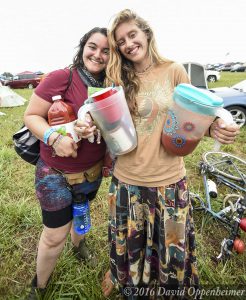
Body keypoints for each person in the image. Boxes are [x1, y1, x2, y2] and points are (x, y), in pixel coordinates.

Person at [101, 9, 240, 299]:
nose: (128, 43)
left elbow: (195, 116)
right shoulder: (115, 78)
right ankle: (125, 279)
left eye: (132, 34)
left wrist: (215, 126)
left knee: (172, 250)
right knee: (131, 242)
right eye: (121, 41)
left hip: (169, 180)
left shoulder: (174, 70)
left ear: (146, 34)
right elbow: (108, 124)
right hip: (127, 180)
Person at [24, 27, 109, 299]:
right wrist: (53, 137)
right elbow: (32, 115)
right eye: (93, 46)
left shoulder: (112, 84)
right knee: (53, 235)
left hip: (92, 173)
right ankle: (38, 286)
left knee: (81, 215)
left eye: (106, 50)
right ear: (83, 46)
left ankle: (79, 246)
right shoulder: (63, 77)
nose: (98, 54)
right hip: (56, 173)